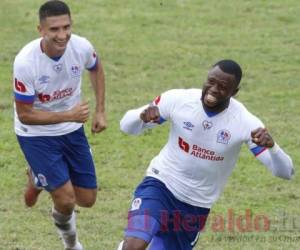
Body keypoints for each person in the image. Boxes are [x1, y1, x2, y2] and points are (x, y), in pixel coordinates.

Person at [117, 59, 294, 250]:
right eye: (211, 81)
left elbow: (286, 172)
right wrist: (140, 116)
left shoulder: (245, 122)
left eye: (223, 87)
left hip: (195, 206)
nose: (214, 89)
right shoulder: (179, 100)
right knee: (134, 246)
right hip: (161, 185)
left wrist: (273, 147)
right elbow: (126, 127)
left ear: (234, 92)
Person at [13, 1, 106, 249]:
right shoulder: (25, 62)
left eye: (66, 27)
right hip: (36, 135)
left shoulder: (81, 47)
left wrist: (100, 111)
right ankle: (71, 244)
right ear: (40, 30)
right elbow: (25, 115)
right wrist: (69, 114)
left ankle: (37, 178)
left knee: (87, 199)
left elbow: (96, 68)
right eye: (54, 29)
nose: (62, 35)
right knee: (66, 200)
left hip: (71, 130)